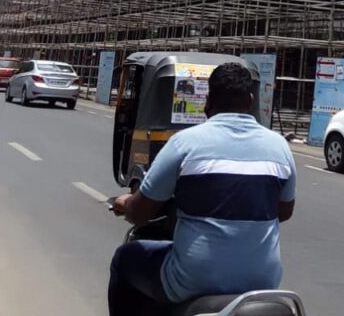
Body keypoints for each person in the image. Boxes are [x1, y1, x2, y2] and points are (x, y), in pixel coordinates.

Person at [108, 62, 296, 316]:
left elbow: (140, 214)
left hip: (191, 281)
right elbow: (284, 211)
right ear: (251, 101)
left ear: (208, 101)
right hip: (264, 281)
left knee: (124, 258)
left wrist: (124, 203)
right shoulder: (280, 147)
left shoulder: (184, 143)